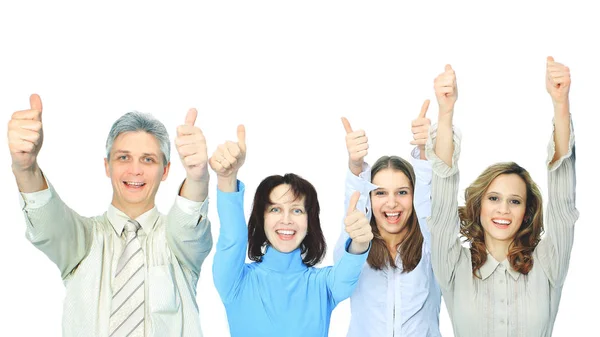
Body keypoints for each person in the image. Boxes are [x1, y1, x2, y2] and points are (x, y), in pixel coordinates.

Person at [8, 96, 213, 337]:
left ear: (165, 170)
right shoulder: (83, 241)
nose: (135, 169)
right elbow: (47, 218)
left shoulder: (177, 245)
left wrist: (197, 177)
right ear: (107, 166)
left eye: (148, 159)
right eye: (124, 157)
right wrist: (26, 167)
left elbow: (189, 222)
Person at [426, 58, 578, 337]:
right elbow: (443, 198)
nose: (503, 209)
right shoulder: (454, 265)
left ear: (526, 212)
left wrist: (560, 104)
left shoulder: (548, 262)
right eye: (493, 198)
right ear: (479, 206)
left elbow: (563, 205)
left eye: (515, 201)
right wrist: (445, 113)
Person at [210, 125, 373, 337]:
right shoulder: (235, 280)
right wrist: (227, 178)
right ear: (262, 218)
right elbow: (232, 238)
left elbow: (349, 269)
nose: (286, 220)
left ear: (309, 222)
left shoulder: (323, 285)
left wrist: (360, 240)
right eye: (275, 209)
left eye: (296, 210)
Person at [334, 105, 441, 336]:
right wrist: (355, 166)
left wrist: (425, 152)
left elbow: (428, 203)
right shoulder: (354, 249)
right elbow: (354, 206)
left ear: (414, 196)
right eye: (380, 193)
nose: (391, 203)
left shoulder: (431, 246)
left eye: (402, 192)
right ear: (370, 198)